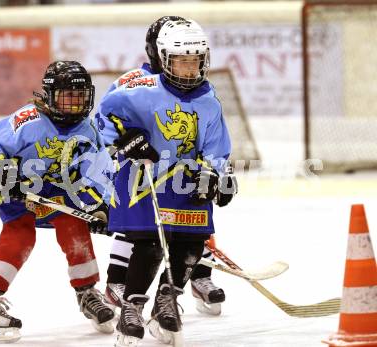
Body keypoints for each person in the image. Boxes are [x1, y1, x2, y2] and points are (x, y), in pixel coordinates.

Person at [97, 19, 237, 347]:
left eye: (195, 62)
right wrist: (126, 138)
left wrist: (218, 174)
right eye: (181, 62)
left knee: (191, 241)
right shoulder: (135, 87)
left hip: (185, 180)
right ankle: (131, 307)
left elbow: (216, 145)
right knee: (149, 242)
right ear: (163, 58)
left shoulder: (207, 99)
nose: (190, 70)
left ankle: (167, 297)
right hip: (143, 178)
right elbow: (103, 121)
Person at [0, 61, 115, 343]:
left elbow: (99, 171)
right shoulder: (27, 121)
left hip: (58, 193)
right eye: (67, 97)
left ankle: (87, 292)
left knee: (75, 226)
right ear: (50, 95)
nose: (74, 105)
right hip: (20, 191)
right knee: (21, 235)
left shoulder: (87, 130)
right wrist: (3, 177)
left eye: (80, 97)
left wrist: (98, 205)